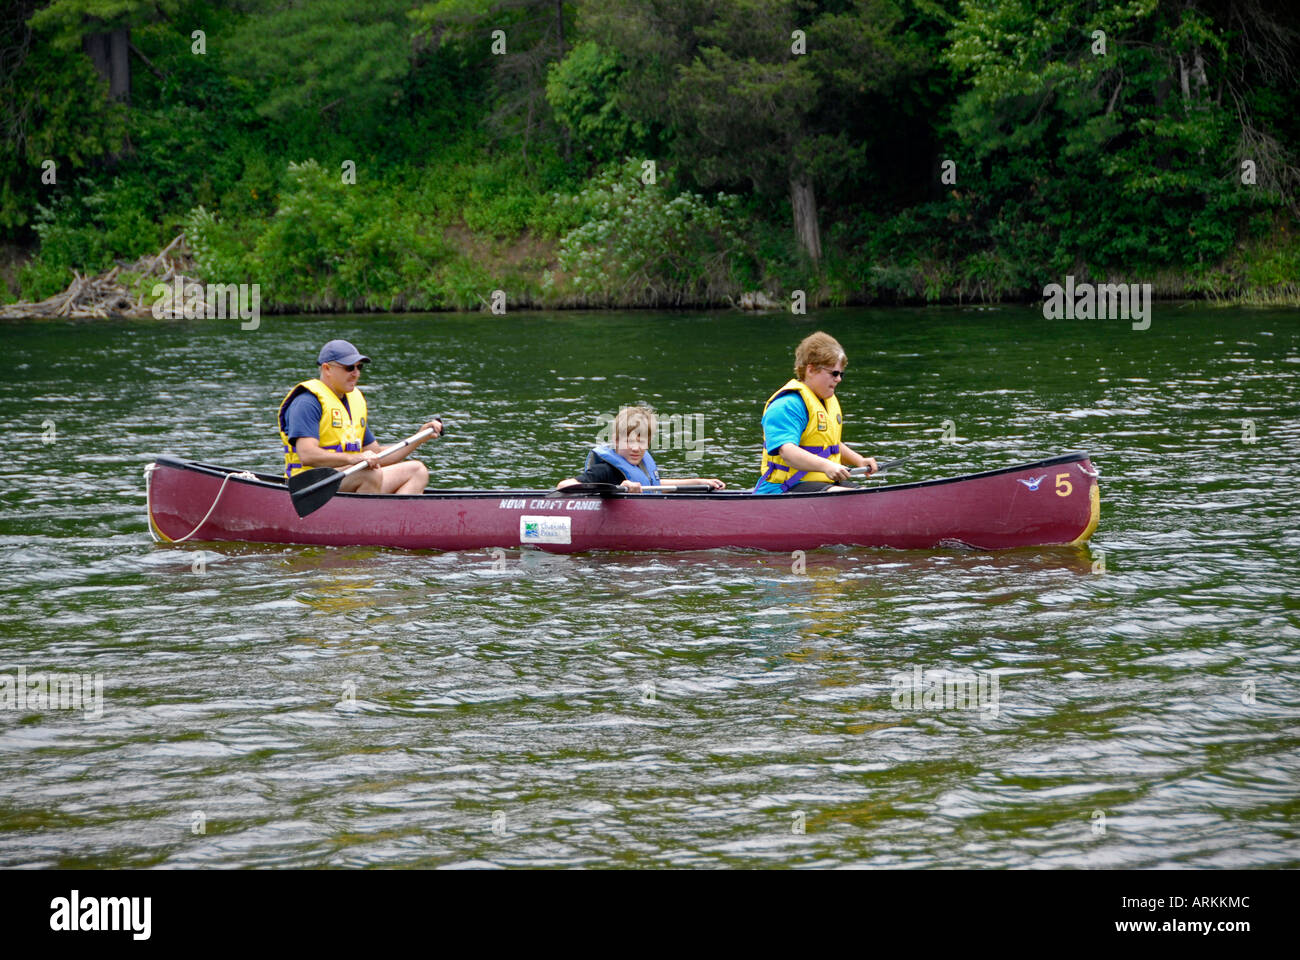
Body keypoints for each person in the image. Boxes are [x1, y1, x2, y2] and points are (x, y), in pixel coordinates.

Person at [277, 339, 442, 494]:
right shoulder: (307, 402)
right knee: (369, 474)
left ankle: (392, 522)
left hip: (345, 478)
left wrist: (418, 438)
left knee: (417, 471)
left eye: (359, 368)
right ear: (327, 369)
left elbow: (376, 455)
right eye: (349, 367)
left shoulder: (354, 401)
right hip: (309, 486)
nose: (356, 374)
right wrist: (354, 459)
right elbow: (308, 455)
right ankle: (367, 522)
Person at [755, 331, 877, 493]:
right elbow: (788, 452)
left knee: (863, 493)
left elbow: (829, 445)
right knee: (849, 497)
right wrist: (826, 465)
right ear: (811, 370)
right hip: (783, 487)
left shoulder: (825, 400)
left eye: (841, 374)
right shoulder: (787, 405)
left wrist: (859, 460)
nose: (839, 379)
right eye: (834, 373)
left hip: (820, 484)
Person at [556, 405, 726, 493]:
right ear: (616, 441)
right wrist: (617, 489)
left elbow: (655, 485)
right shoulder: (604, 471)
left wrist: (699, 482)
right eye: (629, 442)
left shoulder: (641, 466)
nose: (636, 449)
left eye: (641, 442)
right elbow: (563, 485)